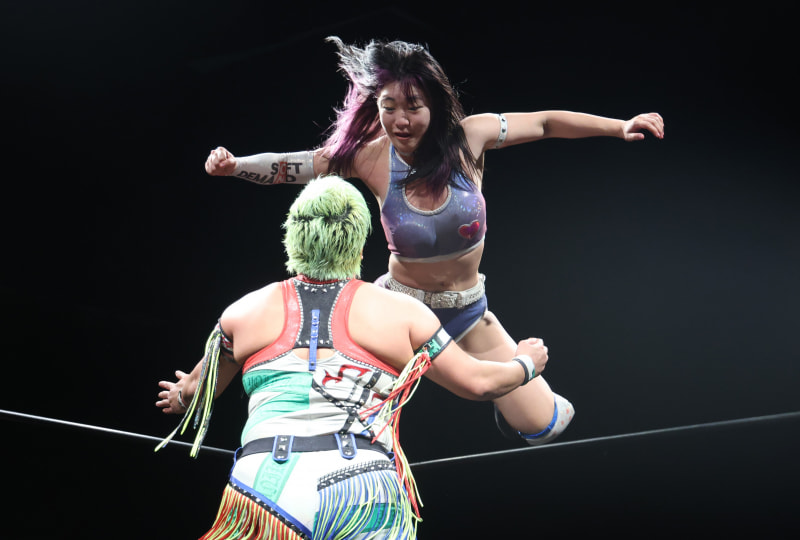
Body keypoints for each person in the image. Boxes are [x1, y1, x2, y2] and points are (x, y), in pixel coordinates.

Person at [203, 36, 665, 446]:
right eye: (388, 107)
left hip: (467, 310)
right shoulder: (371, 158)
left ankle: (525, 409)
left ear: (434, 105)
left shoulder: (470, 139)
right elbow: (297, 165)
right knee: (347, 412)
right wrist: (236, 165)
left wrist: (618, 125)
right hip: (398, 311)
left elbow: (544, 123)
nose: (400, 120)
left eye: (413, 106)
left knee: (546, 427)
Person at [155, 175, 549, 540]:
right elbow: (479, 383)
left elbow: (196, 391)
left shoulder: (242, 312)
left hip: (264, 486)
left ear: (292, 237)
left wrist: (180, 395)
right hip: (361, 483)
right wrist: (526, 363)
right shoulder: (401, 312)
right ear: (359, 243)